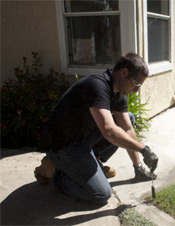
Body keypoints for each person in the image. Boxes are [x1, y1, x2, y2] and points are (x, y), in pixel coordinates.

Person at [34, 52, 158, 205]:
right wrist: (144, 149)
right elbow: (109, 131)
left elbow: (126, 127)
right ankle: (56, 173)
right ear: (124, 72)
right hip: (63, 146)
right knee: (101, 194)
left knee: (129, 119)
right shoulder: (96, 86)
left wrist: (138, 166)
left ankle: (91, 163)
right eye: (137, 83)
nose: (136, 90)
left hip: (82, 139)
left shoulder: (118, 92)